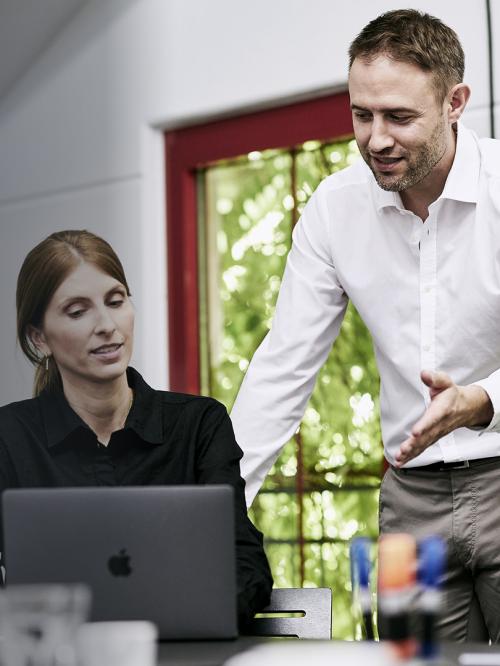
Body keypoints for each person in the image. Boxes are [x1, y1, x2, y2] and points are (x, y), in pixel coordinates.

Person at [231, 9, 500, 641]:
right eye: (362, 114)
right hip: (410, 501)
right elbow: (283, 365)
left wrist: (484, 398)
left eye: (399, 117)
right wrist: (217, 504)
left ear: (455, 102)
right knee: (412, 660)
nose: (375, 138)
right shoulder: (335, 209)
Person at [0, 229, 272, 629]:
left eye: (116, 301)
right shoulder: (9, 437)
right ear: (39, 337)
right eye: (78, 311)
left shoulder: (199, 425)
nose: (107, 325)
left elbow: (245, 565)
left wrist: (171, 622)